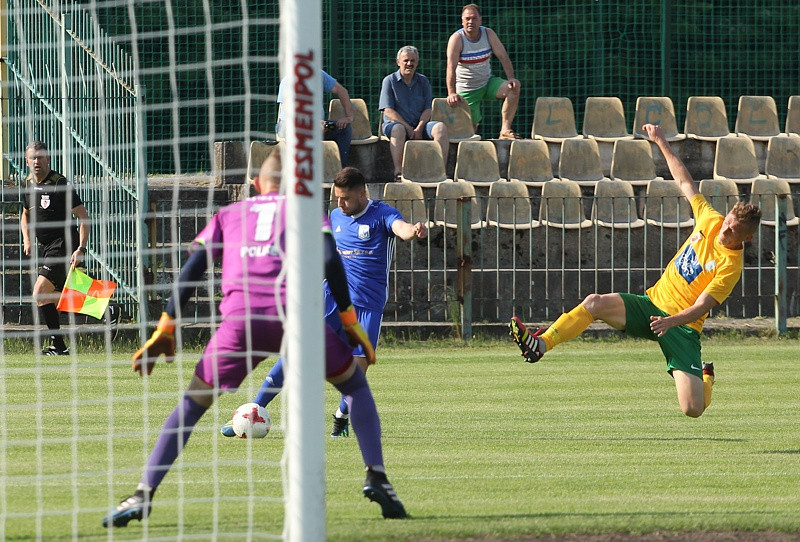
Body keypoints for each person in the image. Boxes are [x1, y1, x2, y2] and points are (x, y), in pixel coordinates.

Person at [102, 148, 407, 528]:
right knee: (356, 388)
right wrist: (348, 319)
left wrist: (166, 325)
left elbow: (194, 264)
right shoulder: (307, 210)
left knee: (191, 407)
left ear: (255, 184)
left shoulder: (229, 214)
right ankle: (377, 476)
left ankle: (142, 494)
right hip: (295, 317)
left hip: (240, 322)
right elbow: (330, 259)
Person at [509, 124, 762, 418]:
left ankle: (706, 380)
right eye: (728, 222)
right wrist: (660, 141)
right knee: (594, 303)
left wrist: (671, 322)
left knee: (692, 409)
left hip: (682, 327)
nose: (725, 231)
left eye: (733, 232)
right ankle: (540, 344)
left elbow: (701, 306)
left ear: (747, 238)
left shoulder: (731, 267)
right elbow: (684, 181)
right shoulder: (711, 220)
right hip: (651, 305)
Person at [221, 166, 427, 439]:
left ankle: (341, 419)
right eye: (337, 198)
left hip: (367, 305)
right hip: (330, 297)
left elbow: (400, 229)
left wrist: (413, 231)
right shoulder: (334, 217)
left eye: (346, 199)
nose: (340, 204)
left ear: (362, 193)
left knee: (355, 370)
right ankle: (254, 410)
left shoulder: (383, 215)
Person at [20, 141, 119, 355]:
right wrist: (27, 240)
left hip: (63, 245)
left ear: (48, 159)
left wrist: (81, 249)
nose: (36, 161)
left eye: (40, 157)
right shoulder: (27, 183)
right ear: (26, 161)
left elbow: (84, 217)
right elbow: (25, 214)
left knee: (39, 292)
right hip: (47, 248)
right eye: (32, 158)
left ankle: (62, 343)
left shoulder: (59, 184)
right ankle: (103, 311)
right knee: (48, 297)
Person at [446, 3, 521, 139]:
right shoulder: (456, 39)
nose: (471, 22)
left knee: (513, 88)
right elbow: (451, 68)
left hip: (487, 83)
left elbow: (503, 56)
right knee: (471, 131)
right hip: (467, 89)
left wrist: (511, 78)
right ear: (462, 20)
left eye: (474, 18)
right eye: (467, 18)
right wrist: (451, 93)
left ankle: (505, 130)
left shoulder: (488, 34)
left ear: (480, 20)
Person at [380, 45, 449, 182]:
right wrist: (407, 128)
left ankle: (441, 171)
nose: (409, 64)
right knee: (398, 129)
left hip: (419, 126)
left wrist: (419, 128)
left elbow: (427, 109)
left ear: (417, 63)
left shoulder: (423, 81)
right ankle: (398, 172)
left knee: (440, 128)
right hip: (395, 126)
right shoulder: (389, 81)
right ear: (398, 62)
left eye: (412, 61)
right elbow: (388, 110)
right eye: (405, 60)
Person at [275, 69, 354, 166]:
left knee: (344, 129)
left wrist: (349, 117)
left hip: (318, 125)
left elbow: (342, 91)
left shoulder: (319, 74)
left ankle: (339, 170)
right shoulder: (288, 81)